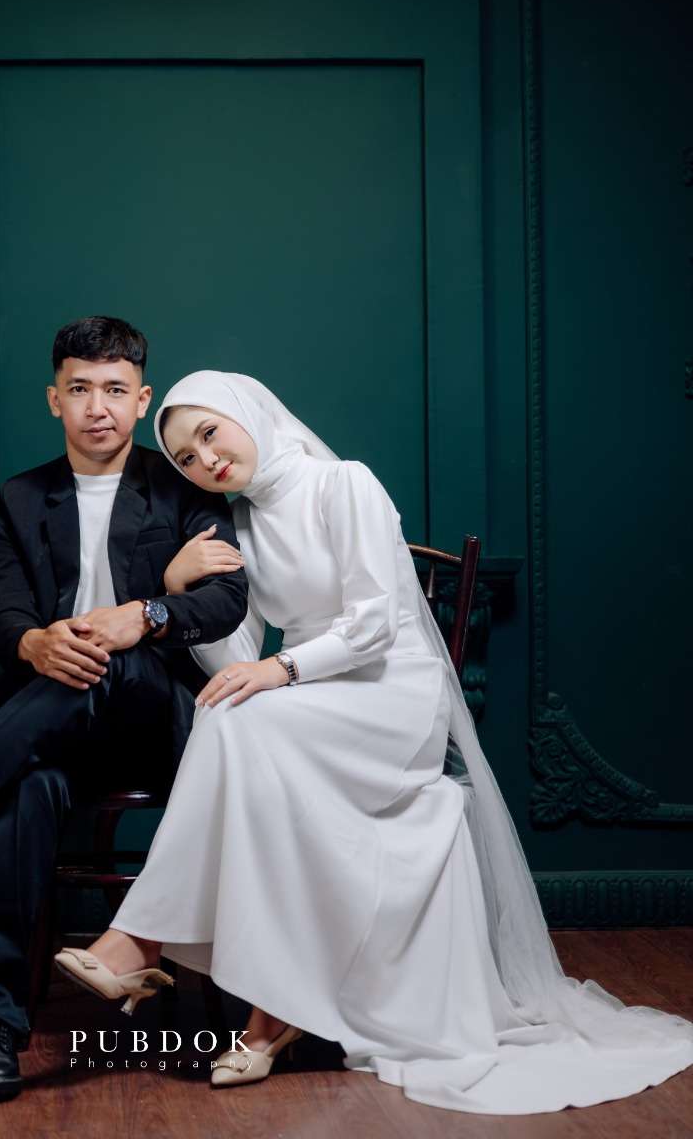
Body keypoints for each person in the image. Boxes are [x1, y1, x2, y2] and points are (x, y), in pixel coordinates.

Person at [56, 371, 693, 1113]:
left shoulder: (343, 484)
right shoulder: (241, 526)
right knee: (226, 712)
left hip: (392, 691)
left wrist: (280, 670)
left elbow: (375, 624)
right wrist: (179, 585)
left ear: (249, 413)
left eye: (210, 433)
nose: (208, 461)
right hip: (314, 697)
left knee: (242, 715)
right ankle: (266, 1008)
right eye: (187, 459)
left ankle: (142, 942)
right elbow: (233, 660)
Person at [0, 321, 248, 1103]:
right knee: (21, 797)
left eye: (114, 390)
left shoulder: (181, 487)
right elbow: (1, 613)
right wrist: (36, 642)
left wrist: (145, 614)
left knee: (112, 659)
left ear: (141, 399)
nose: (97, 407)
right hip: (50, 733)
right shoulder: (21, 498)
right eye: (79, 389)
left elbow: (227, 597)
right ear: (54, 399)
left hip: (157, 725)